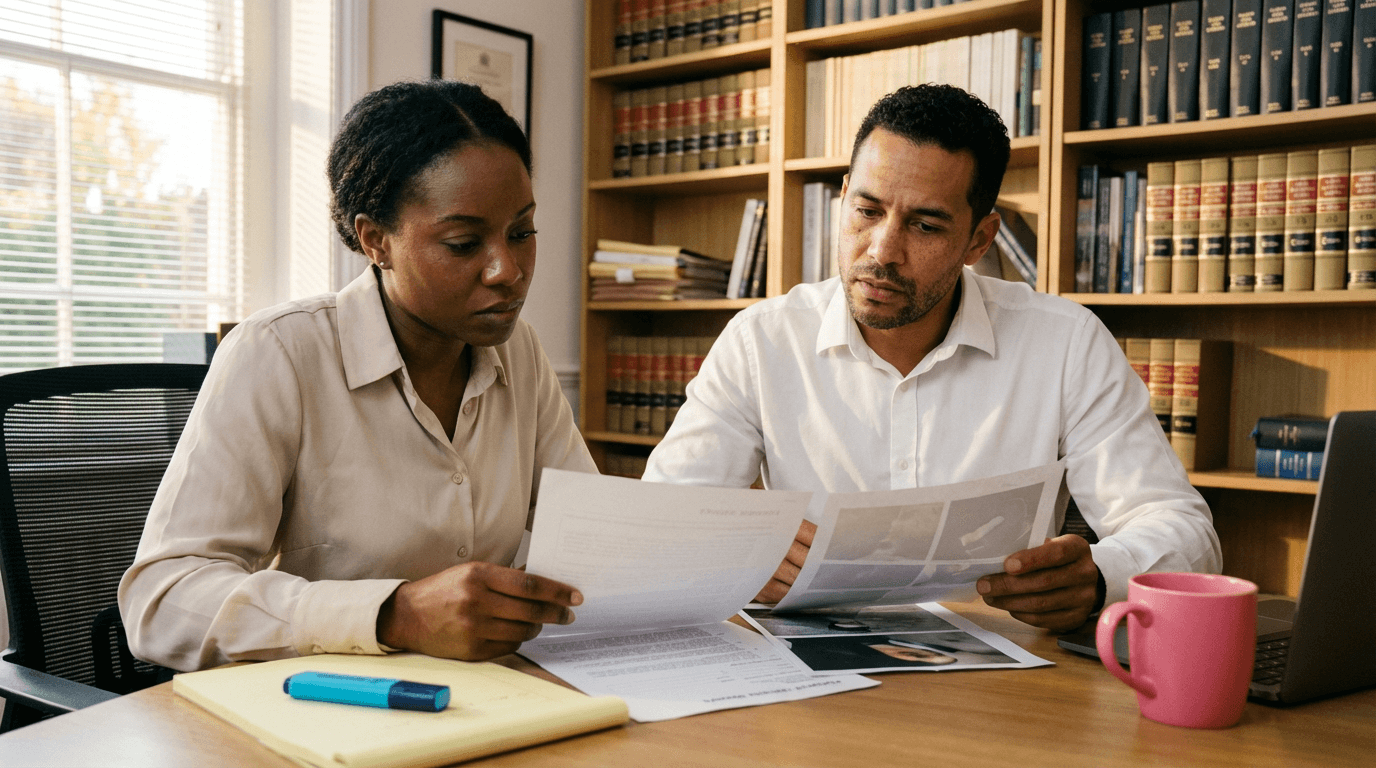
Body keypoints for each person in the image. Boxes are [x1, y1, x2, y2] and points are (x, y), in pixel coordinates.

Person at [642, 84, 1220, 632]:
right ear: (843, 197)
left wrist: (1100, 577)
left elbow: (1185, 533)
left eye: (924, 225)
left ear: (980, 239)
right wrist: (740, 552)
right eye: (867, 211)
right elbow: (655, 524)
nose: (882, 252)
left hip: (1003, 672)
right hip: (806, 672)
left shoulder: (1066, 343)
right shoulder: (760, 342)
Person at [119, 80, 595, 671]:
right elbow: (162, 602)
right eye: (463, 243)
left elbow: (589, 535)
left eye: (522, 233)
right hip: (323, 705)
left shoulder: (519, 353)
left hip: (488, 697)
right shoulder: (278, 354)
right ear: (376, 241)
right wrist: (394, 614)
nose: (508, 270)